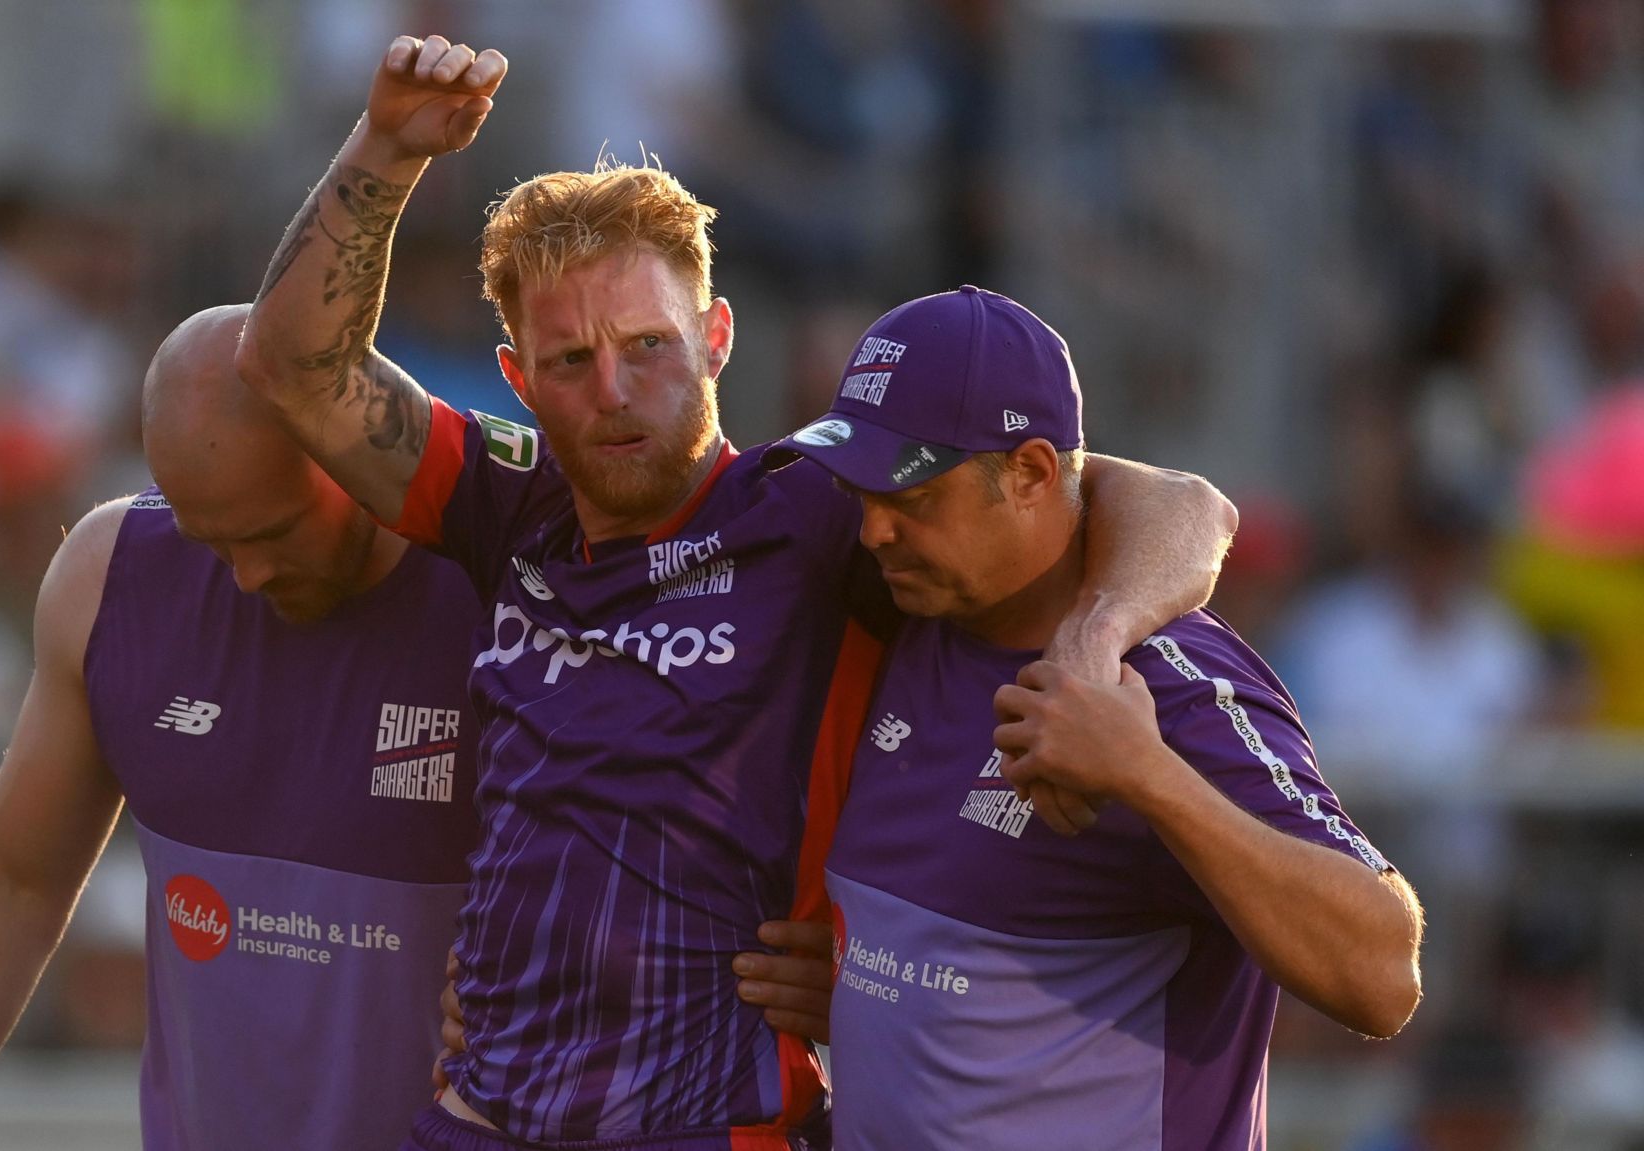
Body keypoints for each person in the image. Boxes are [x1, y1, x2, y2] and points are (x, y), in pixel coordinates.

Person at [235, 36, 1239, 1150]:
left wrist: (1095, 638)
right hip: (477, 1114)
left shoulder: (815, 511)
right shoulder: (505, 501)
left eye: (648, 345)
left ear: (715, 339)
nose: (613, 391)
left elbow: (1182, 502)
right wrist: (385, 145)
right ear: (517, 377)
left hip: (707, 1120)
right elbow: (291, 368)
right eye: (567, 361)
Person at [772, 287, 1424, 1149]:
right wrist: (873, 998)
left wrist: (1145, 774)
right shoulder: (905, 613)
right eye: (861, 491)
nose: (874, 531)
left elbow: (1385, 971)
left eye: (913, 495)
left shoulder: (1170, 686)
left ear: (1034, 474)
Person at [0, 305, 487, 1150]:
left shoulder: (510, 590)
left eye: (270, 532)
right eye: (211, 540)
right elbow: (14, 882)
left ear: (350, 451)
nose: (247, 574)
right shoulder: (110, 580)